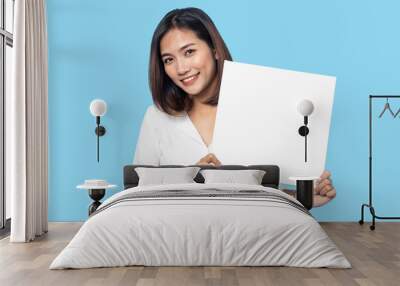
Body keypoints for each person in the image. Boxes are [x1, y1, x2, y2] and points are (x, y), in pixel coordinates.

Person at [134, 7, 336, 207]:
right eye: (169, 59)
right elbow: (137, 194)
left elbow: (262, 189)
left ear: (214, 49)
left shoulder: (256, 107)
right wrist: (190, 181)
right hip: (181, 232)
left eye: (189, 52)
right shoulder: (156, 118)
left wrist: (304, 196)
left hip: (250, 230)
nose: (181, 68)